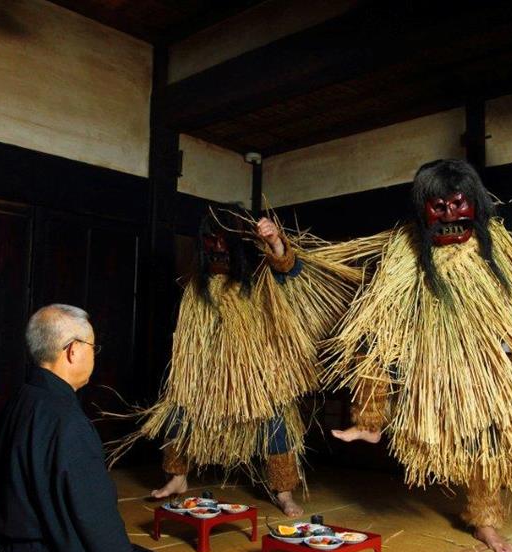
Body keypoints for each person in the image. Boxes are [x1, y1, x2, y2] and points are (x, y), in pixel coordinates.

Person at [326, 111, 512, 552]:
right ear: (424, 211)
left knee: (487, 444)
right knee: (370, 347)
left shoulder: (497, 233)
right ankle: (370, 424)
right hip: (425, 352)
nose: (450, 214)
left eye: (458, 203)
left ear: (474, 202)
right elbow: (386, 305)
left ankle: (485, 520)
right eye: (439, 206)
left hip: (479, 363)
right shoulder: (408, 247)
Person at [129, 209, 360, 517]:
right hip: (204, 366)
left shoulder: (259, 277)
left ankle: (284, 492)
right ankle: (177, 478)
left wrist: (276, 241)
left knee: (275, 420)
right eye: (210, 241)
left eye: (226, 241)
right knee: (178, 409)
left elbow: (287, 268)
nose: (218, 248)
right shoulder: (197, 289)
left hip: (256, 369)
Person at [0, 304, 166, 552]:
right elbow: (92, 513)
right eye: (93, 347)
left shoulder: (20, 400)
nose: (94, 356)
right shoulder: (67, 419)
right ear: (72, 351)